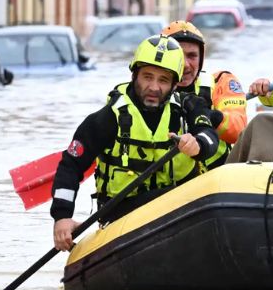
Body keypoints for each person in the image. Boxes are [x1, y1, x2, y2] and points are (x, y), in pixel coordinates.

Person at [51, 35, 220, 251]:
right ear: (134, 75)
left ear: (175, 84)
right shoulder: (108, 118)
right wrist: (62, 216)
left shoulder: (189, 108)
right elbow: (71, 166)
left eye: (163, 80)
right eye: (147, 77)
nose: (153, 87)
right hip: (123, 215)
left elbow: (209, 135)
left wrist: (199, 144)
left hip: (175, 207)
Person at [160, 20, 247, 170]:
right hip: (172, 183)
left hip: (217, 177)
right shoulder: (150, 91)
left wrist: (208, 116)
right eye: (178, 55)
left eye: (192, 56)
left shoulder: (221, 82)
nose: (186, 64)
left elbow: (239, 131)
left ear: (201, 59)